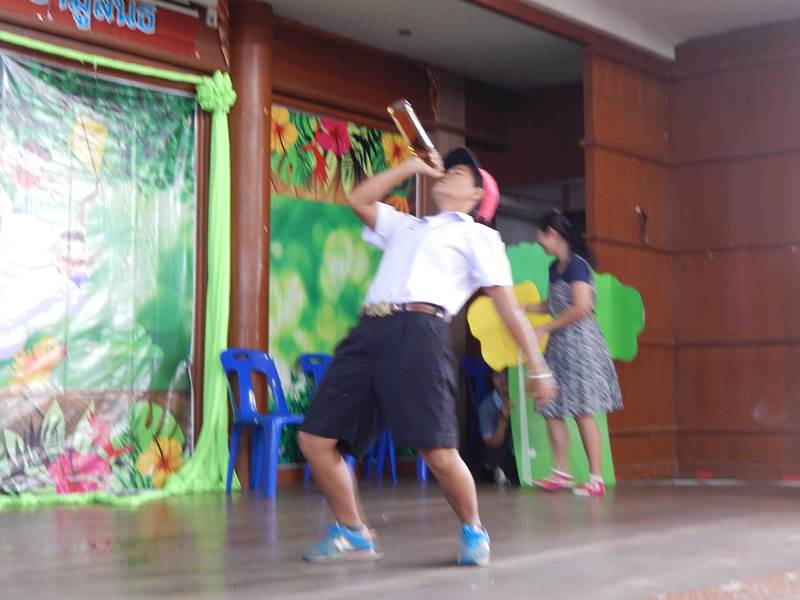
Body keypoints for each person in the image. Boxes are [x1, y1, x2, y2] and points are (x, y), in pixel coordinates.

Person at [298, 147, 556, 567]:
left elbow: (508, 310)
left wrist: (538, 367)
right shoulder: (408, 225)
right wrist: (412, 165)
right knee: (315, 439)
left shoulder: (479, 236)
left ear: (477, 195)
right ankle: (352, 531)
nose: (446, 174)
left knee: (437, 450)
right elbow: (358, 199)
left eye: (458, 173)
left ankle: (473, 530)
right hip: (369, 331)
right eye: (446, 169)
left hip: (421, 331)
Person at [523, 209, 622, 497]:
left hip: (581, 343)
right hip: (560, 344)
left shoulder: (578, 265)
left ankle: (595, 478)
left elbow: (581, 306)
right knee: (550, 405)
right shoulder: (555, 267)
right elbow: (555, 303)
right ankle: (561, 472)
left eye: (541, 238)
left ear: (552, 234)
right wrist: (525, 308)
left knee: (582, 409)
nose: (540, 244)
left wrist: (546, 327)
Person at [477, 370, 518, 485]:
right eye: (497, 376)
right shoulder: (486, 406)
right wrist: (503, 416)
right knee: (491, 455)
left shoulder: (526, 399)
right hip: (502, 450)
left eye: (506, 374)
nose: (503, 380)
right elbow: (492, 442)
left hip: (523, 449)